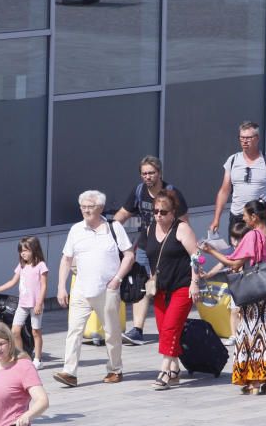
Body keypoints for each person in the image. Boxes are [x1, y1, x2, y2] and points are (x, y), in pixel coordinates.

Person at [53, 191, 135, 388]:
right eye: (83, 207)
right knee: (74, 330)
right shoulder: (76, 230)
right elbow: (66, 259)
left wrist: (117, 279)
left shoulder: (113, 228)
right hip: (81, 288)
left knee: (111, 332)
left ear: (100, 208)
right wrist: (61, 287)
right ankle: (69, 372)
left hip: (107, 289)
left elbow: (129, 255)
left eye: (90, 206)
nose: (86, 210)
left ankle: (115, 369)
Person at [200, 200, 266, 395]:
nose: (242, 218)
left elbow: (235, 263)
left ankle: (254, 382)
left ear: (254, 217)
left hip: (254, 295)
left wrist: (210, 250)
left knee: (252, 337)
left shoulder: (252, 235)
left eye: (245, 215)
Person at [113, 156, 189, 346]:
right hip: (146, 245)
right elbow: (123, 213)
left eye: (151, 173)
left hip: (167, 247)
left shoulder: (171, 193)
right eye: (144, 173)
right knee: (141, 284)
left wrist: (180, 245)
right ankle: (137, 330)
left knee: (164, 287)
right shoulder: (139, 191)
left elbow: (184, 221)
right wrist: (111, 231)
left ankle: (173, 323)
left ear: (160, 173)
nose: (147, 177)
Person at [139, 190, 201, 390]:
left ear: (173, 212)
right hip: (160, 289)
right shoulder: (149, 229)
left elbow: (197, 256)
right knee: (164, 330)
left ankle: (164, 370)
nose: (158, 215)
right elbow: (141, 255)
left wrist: (195, 282)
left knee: (170, 328)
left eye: (163, 212)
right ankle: (175, 369)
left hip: (183, 286)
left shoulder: (182, 229)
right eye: (156, 211)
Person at [209, 121, 266, 240]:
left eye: (248, 138)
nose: (244, 141)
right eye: (242, 137)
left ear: (257, 138)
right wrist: (216, 219)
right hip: (238, 217)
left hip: (259, 218)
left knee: (258, 255)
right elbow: (224, 191)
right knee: (237, 253)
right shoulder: (232, 160)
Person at [0, 237, 48, 368]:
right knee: (15, 331)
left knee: (36, 332)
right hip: (22, 304)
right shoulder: (21, 266)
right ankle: (22, 357)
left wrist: (39, 303)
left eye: (26, 250)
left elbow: (43, 286)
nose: (23, 253)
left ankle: (38, 359)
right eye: (21, 251)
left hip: (35, 304)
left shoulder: (41, 265)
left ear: (34, 250)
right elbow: (12, 281)